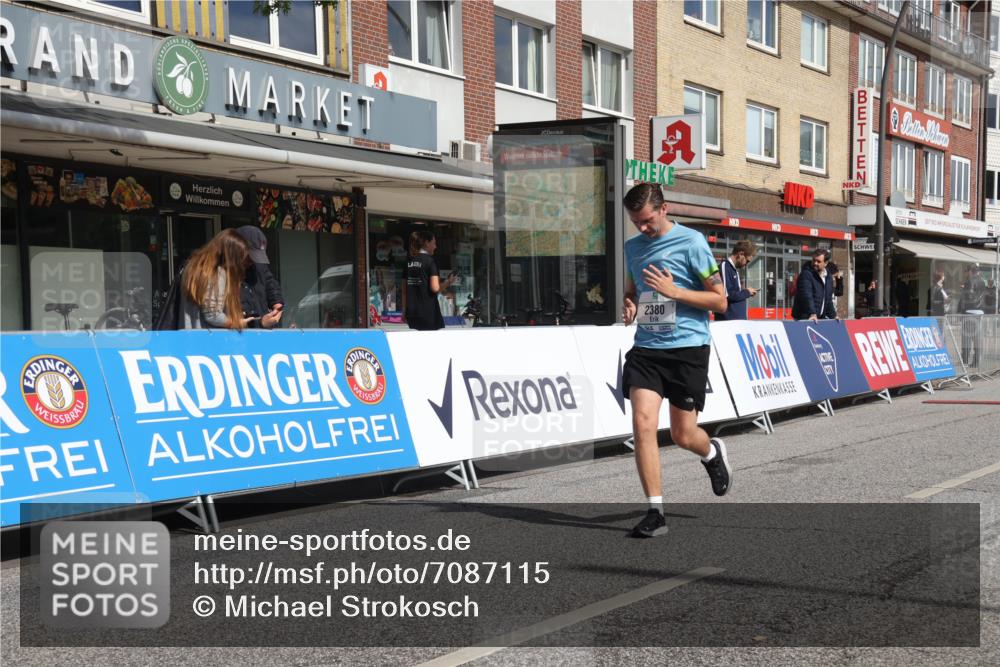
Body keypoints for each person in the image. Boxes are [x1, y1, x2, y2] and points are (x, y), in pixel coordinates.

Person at [620, 183, 731, 539]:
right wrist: (630, 304)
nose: (642, 228)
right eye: (636, 222)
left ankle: (711, 452)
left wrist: (675, 292)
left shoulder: (692, 242)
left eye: (647, 220)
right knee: (642, 423)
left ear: (664, 209)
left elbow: (720, 301)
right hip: (647, 349)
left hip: (687, 348)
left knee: (682, 435)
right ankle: (655, 512)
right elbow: (632, 290)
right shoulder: (632, 248)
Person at [179, 229, 280, 329]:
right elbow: (213, 315)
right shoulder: (216, 273)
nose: (243, 261)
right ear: (231, 255)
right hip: (209, 336)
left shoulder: (193, 268)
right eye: (242, 256)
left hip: (190, 334)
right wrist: (239, 323)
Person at [405, 230, 456, 331]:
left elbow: (404, 290)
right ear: (427, 243)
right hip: (428, 313)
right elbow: (435, 288)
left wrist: (404, 311)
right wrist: (449, 282)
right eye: (434, 243)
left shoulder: (408, 262)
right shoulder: (430, 262)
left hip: (412, 312)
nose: (435, 247)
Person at [235, 225, 284, 329]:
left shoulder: (259, 266)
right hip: (240, 331)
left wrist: (276, 302)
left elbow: (271, 284)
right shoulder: (224, 274)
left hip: (263, 327)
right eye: (250, 257)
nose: (252, 261)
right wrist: (260, 323)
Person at [715, 240, 758, 321]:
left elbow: (733, 293)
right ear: (740, 254)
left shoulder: (733, 269)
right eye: (747, 261)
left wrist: (746, 292)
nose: (746, 264)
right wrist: (746, 292)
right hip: (729, 322)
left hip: (737, 322)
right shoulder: (725, 266)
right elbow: (727, 295)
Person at [791, 248, 835, 321]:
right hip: (804, 318)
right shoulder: (806, 274)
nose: (815, 263)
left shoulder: (828, 277)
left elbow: (828, 300)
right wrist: (812, 313)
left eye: (818, 261)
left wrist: (833, 316)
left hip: (818, 319)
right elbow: (807, 295)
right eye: (814, 260)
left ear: (826, 263)